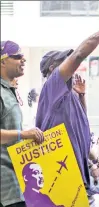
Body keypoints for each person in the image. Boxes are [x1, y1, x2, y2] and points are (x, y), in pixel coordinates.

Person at [35, 13, 99, 206]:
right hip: (61, 176)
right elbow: (80, 54)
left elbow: (80, 128)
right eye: (64, 61)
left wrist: (82, 96)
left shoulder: (68, 94)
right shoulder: (53, 85)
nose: (72, 64)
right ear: (52, 68)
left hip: (76, 174)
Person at [0, 40, 44, 207]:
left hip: (17, 185)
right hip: (5, 190)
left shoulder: (10, 91)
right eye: (18, 56)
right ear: (3, 61)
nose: (23, 60)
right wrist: (22, 134)